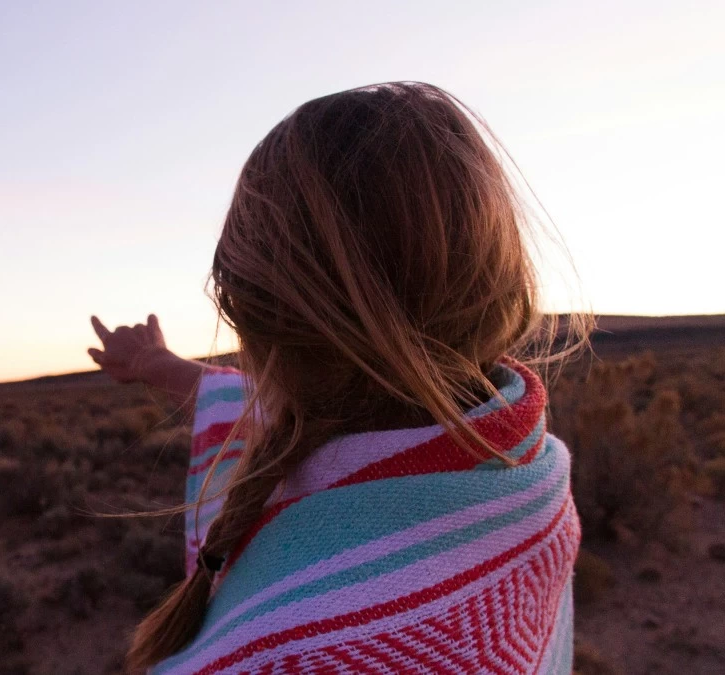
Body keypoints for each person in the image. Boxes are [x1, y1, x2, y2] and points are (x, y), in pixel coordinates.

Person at [88, 81, 588, 674]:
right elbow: (292, 403)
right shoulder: (517, 467)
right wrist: (160, 367)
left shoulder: (292, 657)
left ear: (244, 309)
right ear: (501, 281)